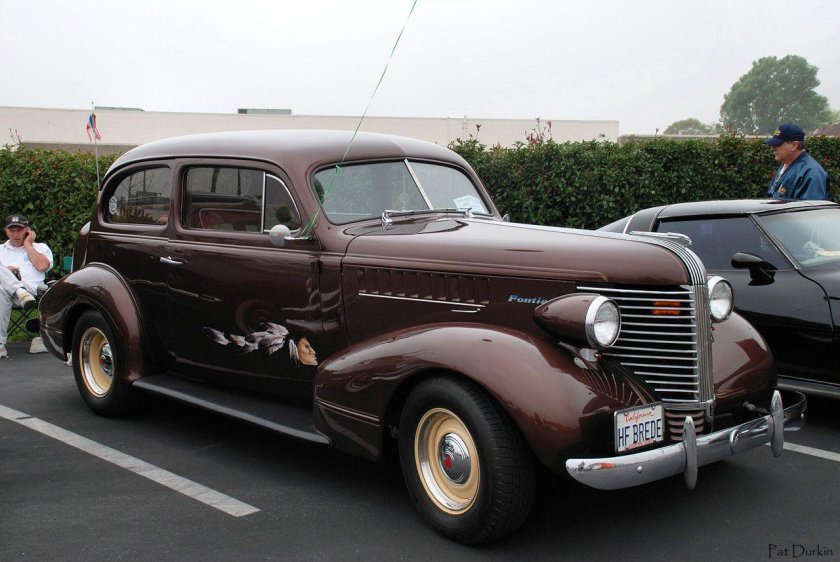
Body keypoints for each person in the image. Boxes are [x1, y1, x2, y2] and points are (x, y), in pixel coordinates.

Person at [1, 214, 53, 358]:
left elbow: (43, 266)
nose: (16, 234)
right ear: (6, 231)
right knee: (1, 289)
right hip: (7, 295)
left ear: (28, 231)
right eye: (12, 230)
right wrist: (9, 272)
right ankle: (19, 290)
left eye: (20, 230)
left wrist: (28, 244)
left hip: (33, 293)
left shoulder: (40, 247)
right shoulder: (1, 250)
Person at [764, 123, 828, 200]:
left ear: (794, 145)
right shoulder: (785, 165)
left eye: (778, 144)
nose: (772, 148)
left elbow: (810, 209)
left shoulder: (812, 172)